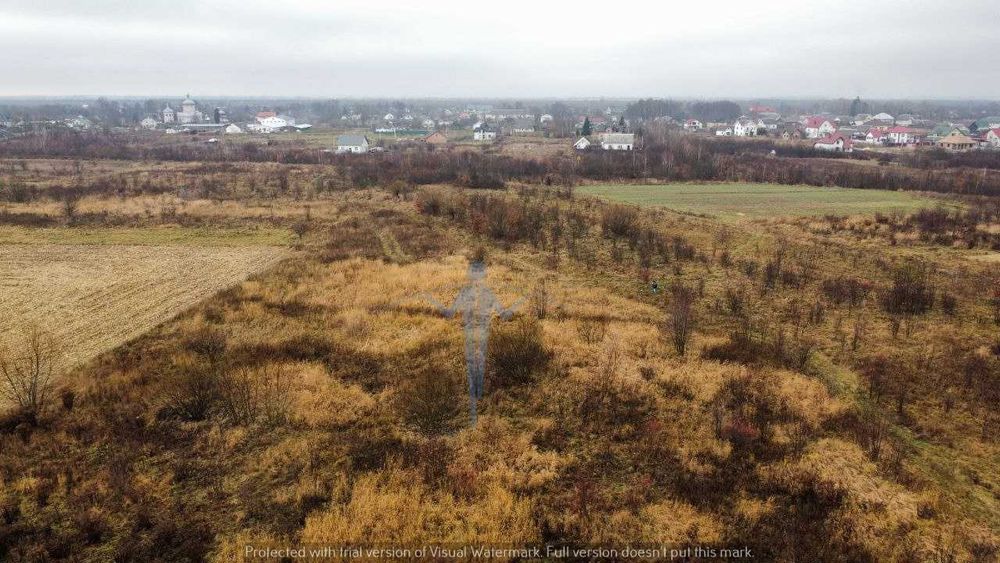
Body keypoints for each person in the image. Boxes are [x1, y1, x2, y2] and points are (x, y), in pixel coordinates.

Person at [423, 260, 522, 424]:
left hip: (473, 333)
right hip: (478, 333)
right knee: (478, 362)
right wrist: (515, 306)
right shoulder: (485, 293)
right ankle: (476, 401)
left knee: (473, 363)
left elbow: (449, 313)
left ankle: (474, 404)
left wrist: (434, 301)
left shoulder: (467, 292)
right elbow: (503, 314)